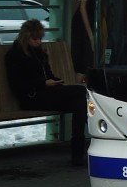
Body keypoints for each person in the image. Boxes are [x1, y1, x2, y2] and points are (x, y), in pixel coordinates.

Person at [5, 19, 88, 165]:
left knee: (79, 105)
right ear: (26, 37)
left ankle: (77, 154)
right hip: (31, 97)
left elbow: (49, 75)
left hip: (46, 94)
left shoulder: (40, 53)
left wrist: (56, 81)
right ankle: (86, 147)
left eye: (40, 38)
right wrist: (43, 83)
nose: (38, 41)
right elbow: (17, 84)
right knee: (82, 92)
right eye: (35, 38)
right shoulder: (15, 55)